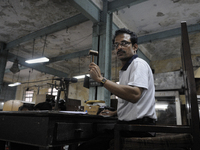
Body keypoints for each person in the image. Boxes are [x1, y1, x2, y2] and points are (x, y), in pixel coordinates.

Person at [77, 28, 157, 150]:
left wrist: (101, 79)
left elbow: (135, 95)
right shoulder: (125, 70)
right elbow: (133, 104)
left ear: (135, 46)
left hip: (138, 129)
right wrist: (115, 113)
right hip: (127, 126)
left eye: (124, 43)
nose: (119, 47)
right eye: (116, 45)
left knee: (85, 147)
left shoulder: (138, 64)